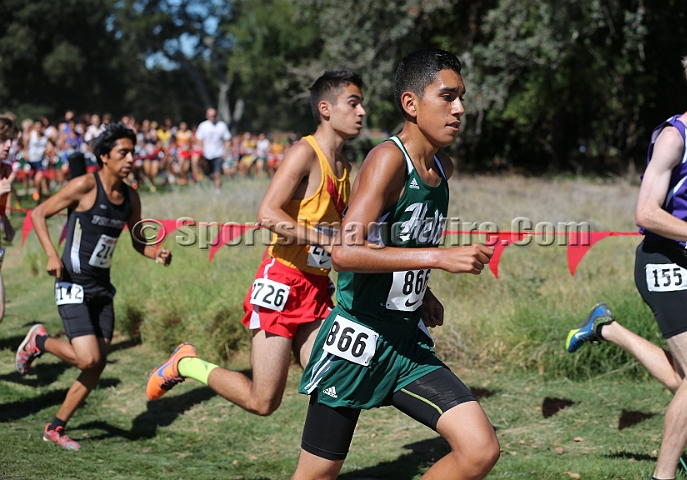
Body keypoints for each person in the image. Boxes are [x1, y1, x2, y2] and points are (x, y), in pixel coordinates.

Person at [292, 49, 499, 480]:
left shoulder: (444, 167)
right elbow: (344, 253)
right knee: (317, 474)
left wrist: (422, 290)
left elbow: (396, 240)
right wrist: (438, 259)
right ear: (411, 104)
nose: (459, 108)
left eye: (461, 96)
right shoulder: (388, 160)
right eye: (447, 97)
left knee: (479, 450)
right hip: (357, 339)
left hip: (407, 342)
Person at [145, 71, 365, 418]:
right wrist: (326, 238)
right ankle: (186, 364)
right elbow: (267, 213)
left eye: (362, 103)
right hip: (281, 281)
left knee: (334, 380)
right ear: (325, 108)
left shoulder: (346, 167)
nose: (362, 111)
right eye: (353, 103)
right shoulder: (304, 153)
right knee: (263, 402)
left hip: (318, 287)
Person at [566, 43, 687, 480]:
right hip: (659, 259)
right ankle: (663, 476)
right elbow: (646, 213)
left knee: (684, 378)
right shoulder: (675, 138)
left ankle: (606, 327)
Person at [16, 123, 172, 451]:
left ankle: (55, 427)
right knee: (88, 359)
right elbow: (39, 213)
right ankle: (39, 341)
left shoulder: (131, 197)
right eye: (123, 153)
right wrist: (49, 254)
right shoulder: (85, 185)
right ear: (104, 156)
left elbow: (136, 240)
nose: (131, 159)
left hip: (102, 288)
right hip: (72, 281)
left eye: (133, 152)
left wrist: (155, 252)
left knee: (97, 362)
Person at [0, 115, 17, 323]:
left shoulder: (6, 170)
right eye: (3, 139)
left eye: (11, 139)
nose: (9, 144)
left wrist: (6, 222)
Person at [195, 108, 231, 193]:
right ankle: (212, 186)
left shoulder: (222, 125)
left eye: (214, 115)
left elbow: (228, 139)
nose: (212, 117)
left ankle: (218, 191)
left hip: (218, 153)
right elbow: (198, 138)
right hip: (207, 154)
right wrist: (201, 147)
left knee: (217, 173)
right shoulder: (203, 126)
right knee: (210, 175)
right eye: (210, 115)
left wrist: (225, 151)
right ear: (207, 116)